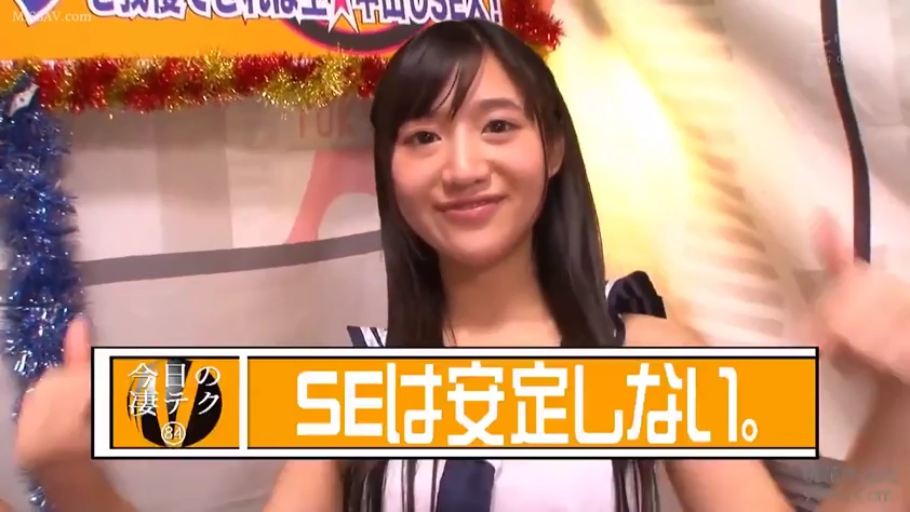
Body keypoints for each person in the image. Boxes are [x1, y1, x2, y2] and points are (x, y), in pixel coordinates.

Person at [9, 18, 910, 512]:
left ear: (553, 149)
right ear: (391, 173)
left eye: (497, 126)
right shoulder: (348, 388)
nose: (463, 166)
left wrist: (899, 406)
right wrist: (76, 475)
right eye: (422, 137)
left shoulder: (648, 355)